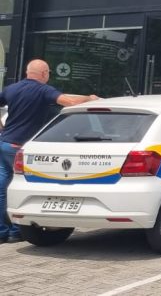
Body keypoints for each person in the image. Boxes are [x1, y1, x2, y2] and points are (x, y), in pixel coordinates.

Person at [0, 59, 99, 243]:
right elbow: (69, 102)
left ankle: (1, 232)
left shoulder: (11, 89)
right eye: (49, 73)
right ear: (44, 73)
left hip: (5, 144)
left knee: (2, 188)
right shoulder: (43, 90)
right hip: (21, 148)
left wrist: (1, 128)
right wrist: (89, 98)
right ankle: (16, 231)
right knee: (22, 187)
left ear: (27, 72)